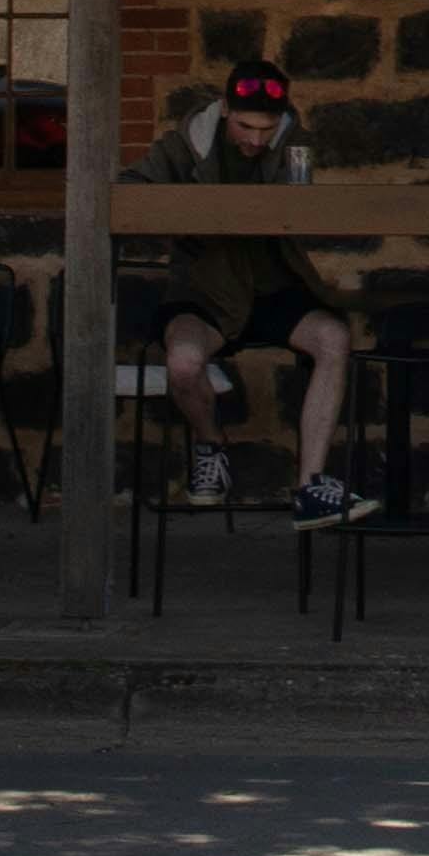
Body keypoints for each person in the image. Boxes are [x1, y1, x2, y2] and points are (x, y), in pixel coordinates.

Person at [139, 55, 372, 528]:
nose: (255, 139)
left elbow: (302, 209)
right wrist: (176, 226)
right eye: (246, 127)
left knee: (333, 338)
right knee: (183, 363)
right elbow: (130, 192)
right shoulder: (182, 146)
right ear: (225, 109)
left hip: (272, 288)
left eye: (266, 129)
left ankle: (311, 487)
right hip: (204, 291)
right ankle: (210, 445)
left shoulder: (294, 144)